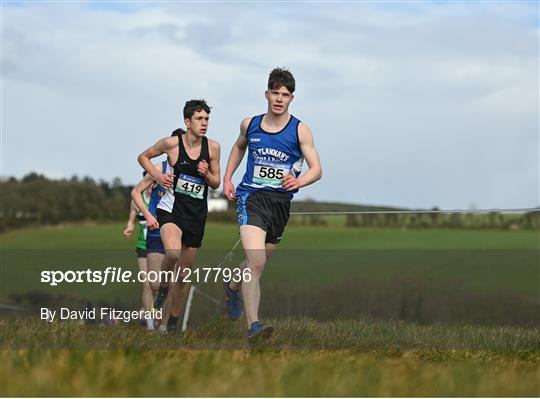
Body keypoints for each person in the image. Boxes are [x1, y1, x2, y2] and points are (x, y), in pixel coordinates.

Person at [222, 67, 322, 338]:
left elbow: (316, 169)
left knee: (260, 260)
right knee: (256, 263)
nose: (279, 99)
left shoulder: (300, 130)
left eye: (285, 95)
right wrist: (227, 178)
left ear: (292, 98)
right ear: (266, 93)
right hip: (251, 197)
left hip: (280, 203)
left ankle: (232, 286)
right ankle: (254, 325)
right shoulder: (250, 124)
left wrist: (299, 182)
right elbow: (239, 146)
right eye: (275, 93)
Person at [137, 99, 221, 332]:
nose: (204, 123)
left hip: (196, 216)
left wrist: (206, 175)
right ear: (187, 121)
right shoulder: (172, 144)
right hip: (171, 209)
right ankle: (163, 291)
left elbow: (216, 182)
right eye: (199, 119)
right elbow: (143, 156)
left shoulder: (213, 148)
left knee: (182, 278)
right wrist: (157, 175)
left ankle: (170, 324)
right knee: (172, 253)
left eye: (207, 119)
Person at [131, 129, 192, 333]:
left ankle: (164, 326)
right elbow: (136, 192)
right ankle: (154, 321)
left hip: (179, 232)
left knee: (175, 281)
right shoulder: (159, 168)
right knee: (155, 284)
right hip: (156, 232)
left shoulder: (193, 172)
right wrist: (148, 215)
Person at [123, 181, 154, 330]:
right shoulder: (137, 199)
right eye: (147, 183)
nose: (150, 186)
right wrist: (129, 227)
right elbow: (131, 219)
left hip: (158, 247)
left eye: (152, 183)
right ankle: (150, 325)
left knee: (158, 284)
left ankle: (147, 313)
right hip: (142, 246)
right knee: (147, 283)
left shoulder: (160, 198)